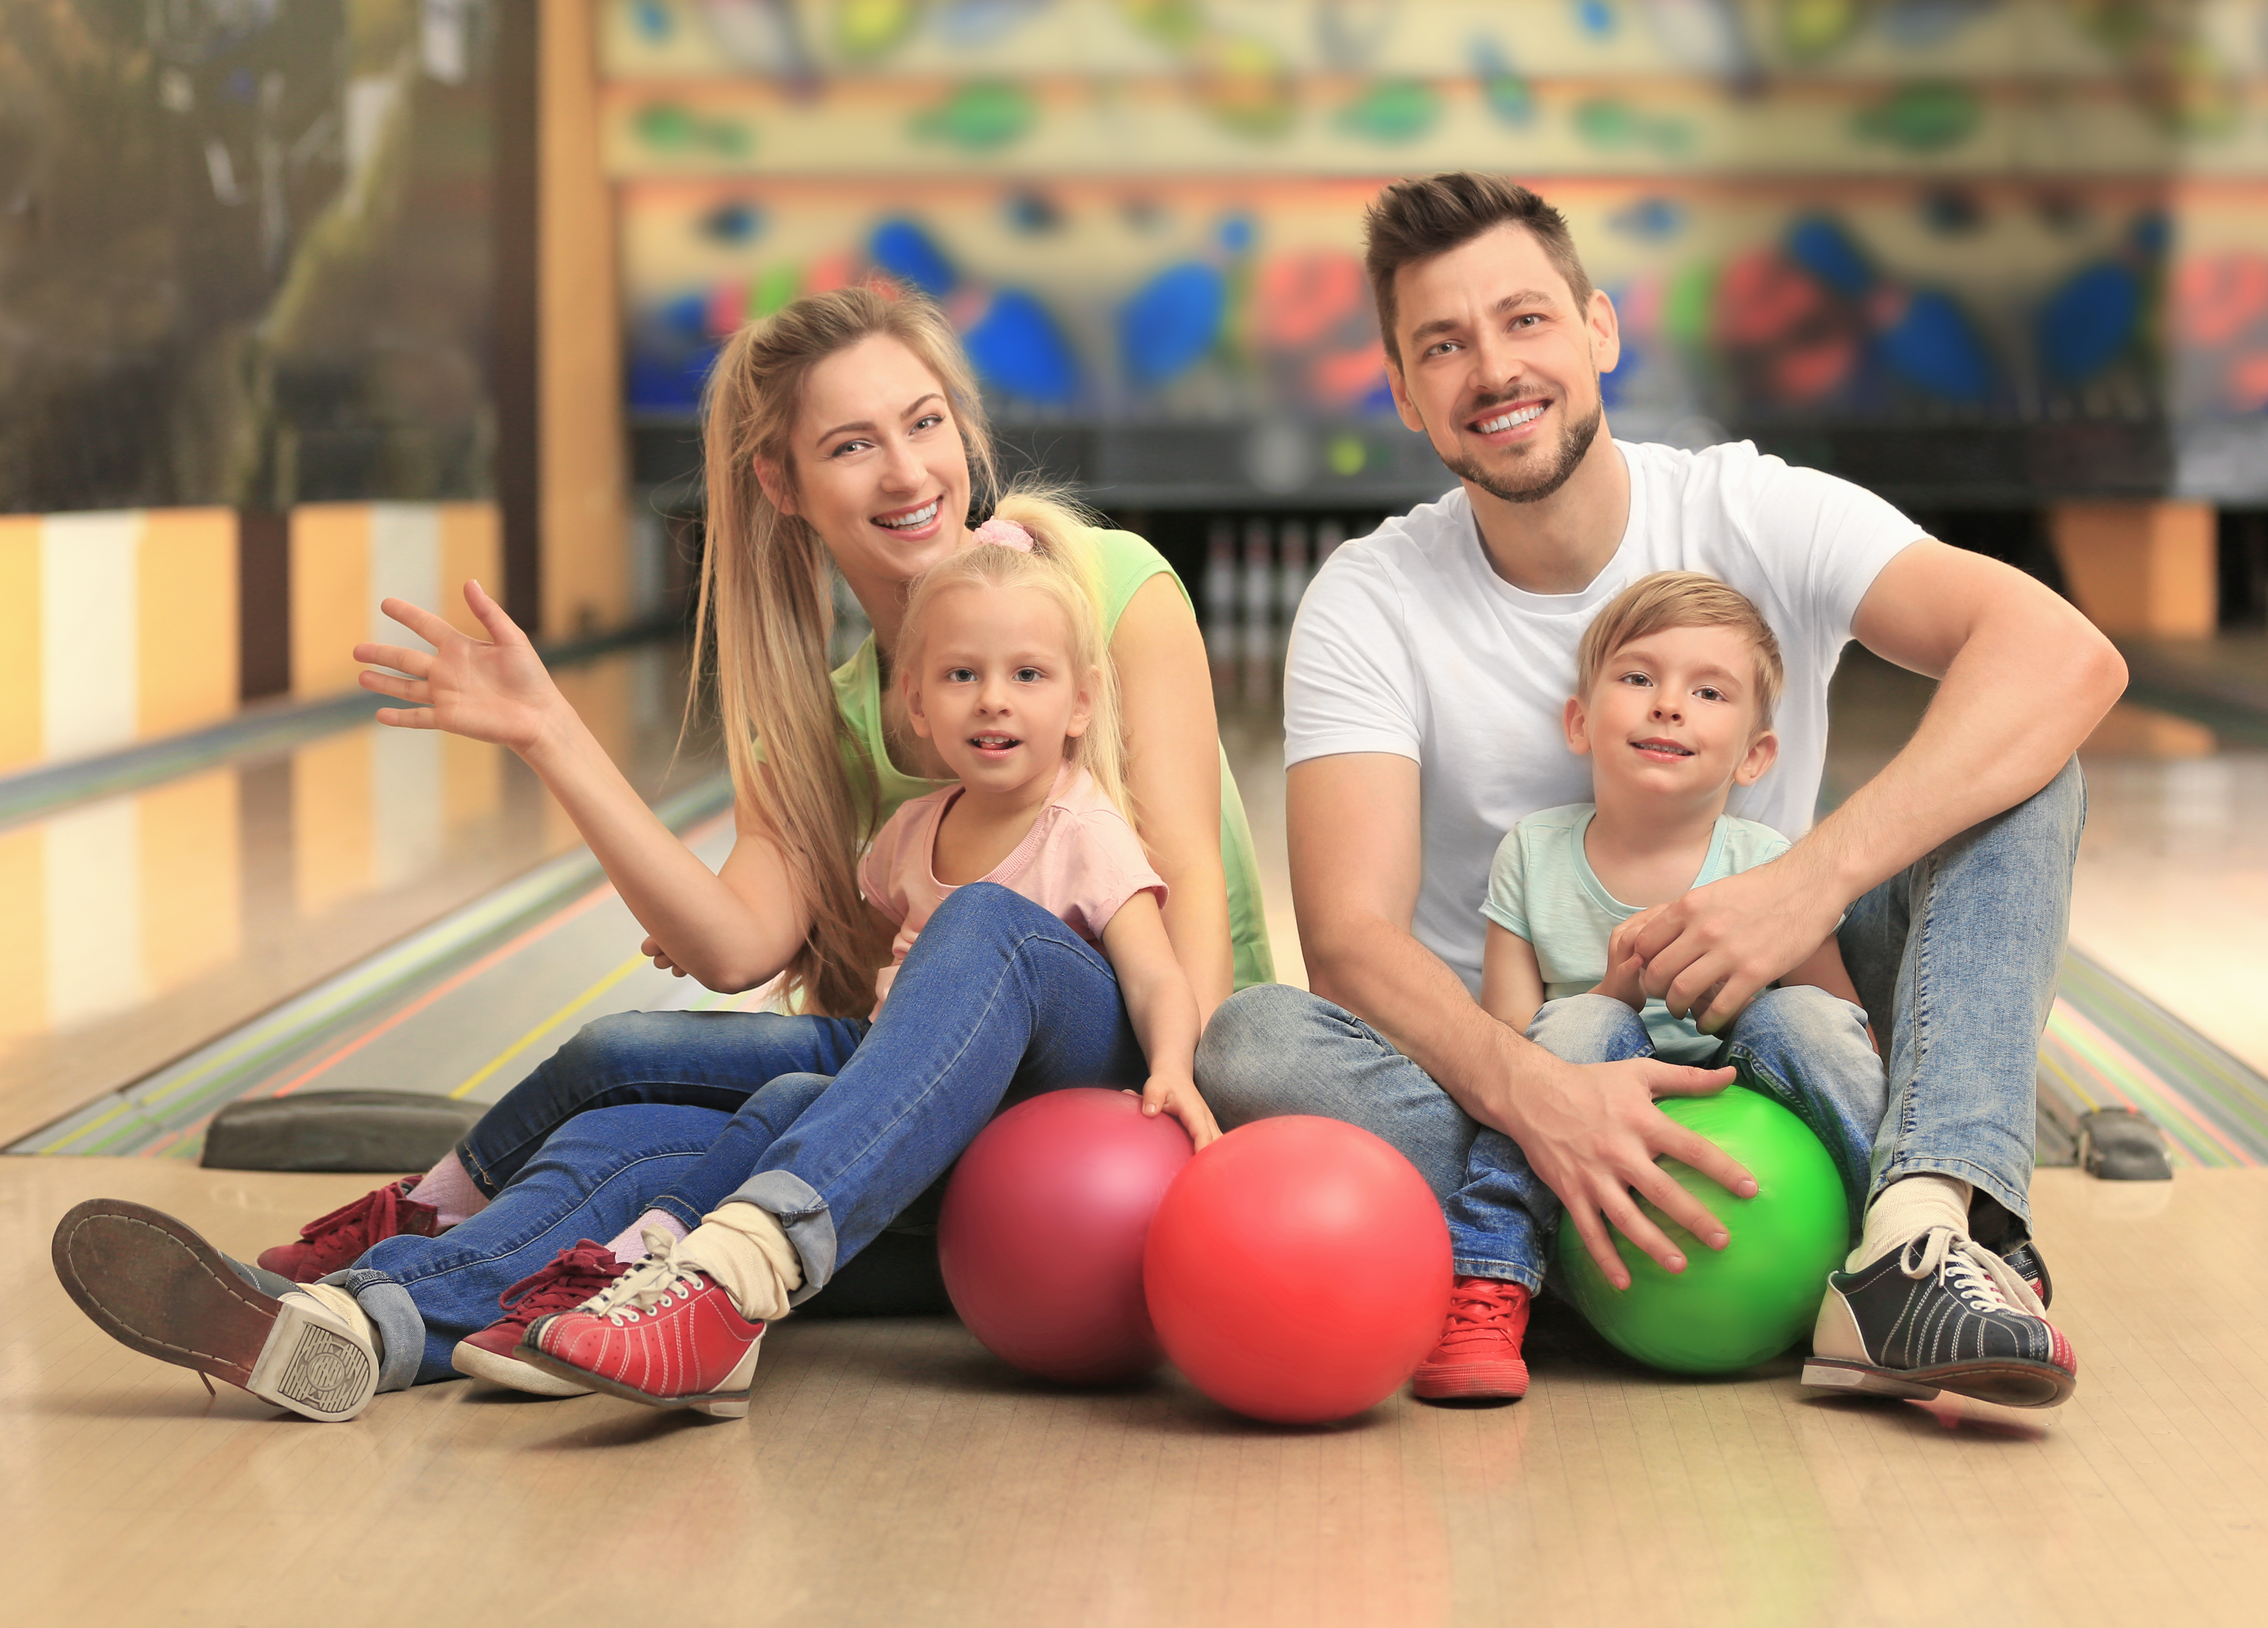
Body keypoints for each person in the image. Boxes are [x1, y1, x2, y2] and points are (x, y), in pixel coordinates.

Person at [51, 285, 1261, 1421]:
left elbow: (1186, 879)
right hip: (936, 1128)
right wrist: (552, 733)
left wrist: (1186, 1134)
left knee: (980, 931)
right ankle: (363, 1323)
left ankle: (724, 1277)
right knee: (627, 1136)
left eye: (925, 422)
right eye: (852, 445)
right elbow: (735, 942)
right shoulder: (827, 708)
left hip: (1135, 1090)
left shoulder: (1103, 587)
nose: (908, 472)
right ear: (780, 484)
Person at [1197, 172, 2119, 1410]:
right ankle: (1642, 1237)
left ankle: (1906, 1228)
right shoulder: (1371, 597)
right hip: (1515, 1079)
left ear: (1597, 331)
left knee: (2024, 775)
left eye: (1524, 319)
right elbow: (1353, 941)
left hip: (1780, 1032)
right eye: (1442, 344)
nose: (1492, 367)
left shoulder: (1748, 507)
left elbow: (2065, 655)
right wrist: (1543, 1094)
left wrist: (1800, 888)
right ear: (1406, 394)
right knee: (1253, 1041)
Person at [1424, 570, 1892, 1401]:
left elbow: (1842, 1020)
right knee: (1569, 1032)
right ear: (1580, 722)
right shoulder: (1532, 853)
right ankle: (1490, 1279)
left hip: (1752, 1095)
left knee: (1806, 1021)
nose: (1668, 704)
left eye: (1709, 691)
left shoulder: (1767, 866)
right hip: (1588, 1120)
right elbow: (1505, 1045)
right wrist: (1609, 992)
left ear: (1756, 754)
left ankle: (1892, 1261)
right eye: (1639, 678)